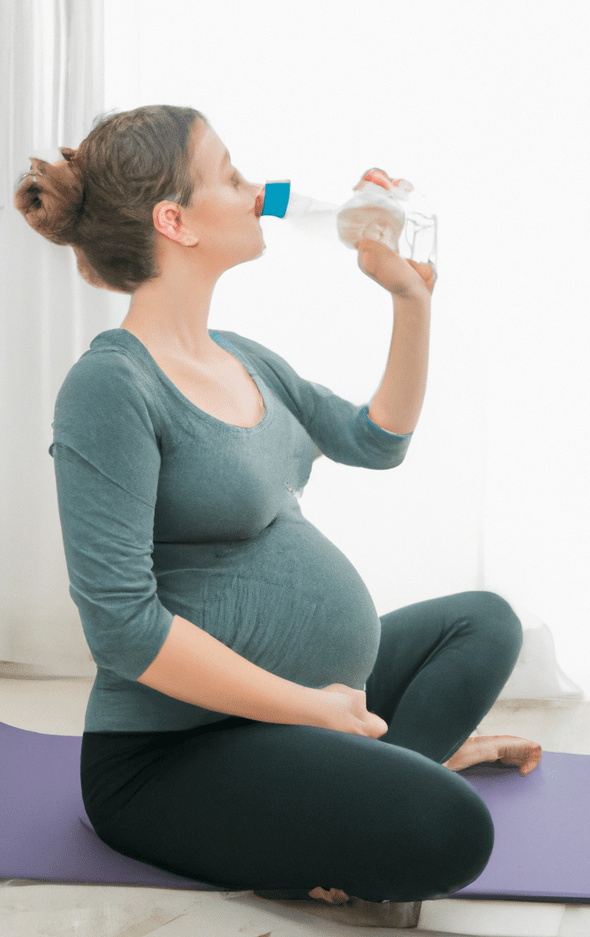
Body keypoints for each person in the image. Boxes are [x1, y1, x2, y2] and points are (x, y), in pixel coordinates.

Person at [14, 105, 541, 920]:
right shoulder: (110, 389)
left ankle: (376, 783)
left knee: (483, 623)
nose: (256, 190)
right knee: (452, 830)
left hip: (311, 708)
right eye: (230, 174)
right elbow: (121, 627)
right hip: (175, 753)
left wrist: (410, 300)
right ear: (174, 221)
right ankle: (400, 782)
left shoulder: (246, 359)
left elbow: (378, 440)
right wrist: (313, 710)